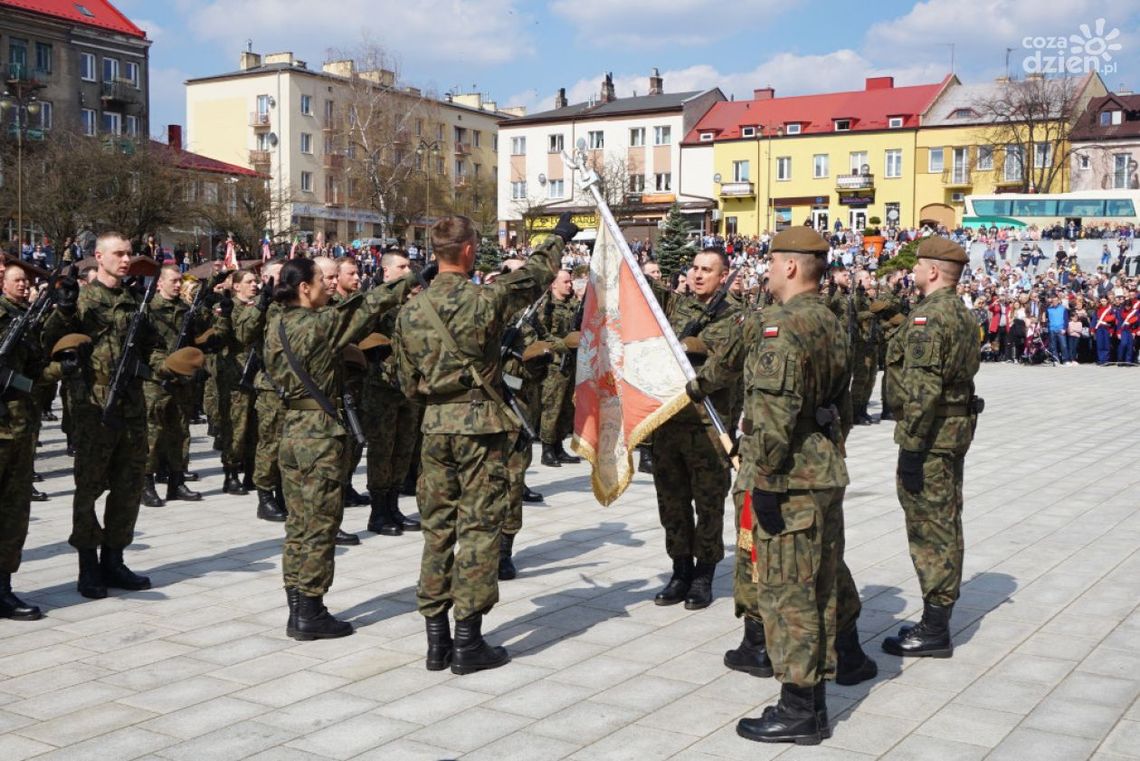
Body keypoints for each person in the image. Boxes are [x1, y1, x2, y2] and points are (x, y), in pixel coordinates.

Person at [689, 227, 855, 744]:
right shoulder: (829, 319)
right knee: (819, 587)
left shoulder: (780, 328)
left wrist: (764, 481)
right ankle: (815, 703)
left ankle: (799, 709)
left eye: (770, 262)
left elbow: (772, 417)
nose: (765, 270)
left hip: (787, 478)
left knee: (788, 595)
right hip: (822, 467)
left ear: (788, 267)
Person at [393, 214, 569, 675]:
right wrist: (559, 238)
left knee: (437, 530)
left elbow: (406, 383)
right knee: (478, 531)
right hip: (482, 428)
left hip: (435, 428)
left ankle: (436, 641)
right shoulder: (485, 298)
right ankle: (468, 640)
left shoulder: (410, 311)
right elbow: (533, 276)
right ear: (469, 250)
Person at [264, 257, 415, 640]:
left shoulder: (276, 323)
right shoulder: (318, 325)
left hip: (293, 431)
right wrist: (413, 278)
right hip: (320, 436)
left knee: (298, 524)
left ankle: (297, 606)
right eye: (321, 281)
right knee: (321, 524)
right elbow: (366, 307)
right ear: (303, 288)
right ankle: (311, 611)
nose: (327, 287)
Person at [43, 233, 193, 599]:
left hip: (132, 406)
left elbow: (152, 349)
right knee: (89, 489)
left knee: (127, 487)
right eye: (119, 254)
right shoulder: (82, 302)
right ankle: (87, 565)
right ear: (98, 257)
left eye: (129, 254)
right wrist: (61, 310)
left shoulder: (134, 302)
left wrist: (169, 366)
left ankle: (114, 559)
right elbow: (49, 341)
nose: (126, 260)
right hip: (93, 408)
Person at [882, 237, 981, 659]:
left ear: (934, 271)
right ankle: (938, 615)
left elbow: (922, 389)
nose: (914, 271)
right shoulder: (959, 312)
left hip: (932, 437)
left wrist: (910, 447)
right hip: (952, 429)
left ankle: (935, 627)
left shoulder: (929, 319)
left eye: (919, 265)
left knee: (931, 527)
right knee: (946, 519)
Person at [645, 249, 739, 610]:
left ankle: (704, 574)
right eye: (695, 268)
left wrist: (690, 348)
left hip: (707, 426)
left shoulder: (735, 316)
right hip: (669, 423)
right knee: (672, 502)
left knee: (708, 504)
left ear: (723, 275)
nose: (698, 275)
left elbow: (725, 362)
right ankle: (680, 569)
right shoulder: (675, 307)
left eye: (707, 270)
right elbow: (642, 292)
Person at [360, 250, 423, 537]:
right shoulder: (374, 303)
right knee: (382, 450)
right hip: (381, 389)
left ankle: (394, 505)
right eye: (402, 266)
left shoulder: (416, 303)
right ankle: (378, 511)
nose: (408, 270)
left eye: (409, 266)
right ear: (386, 272)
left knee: (404, 448)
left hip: (408, 389)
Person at [0, 259, 49, 619]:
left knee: (15, 512)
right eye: (18, 280)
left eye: (27, 281)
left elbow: (35, 371)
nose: (24, 285)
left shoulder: (27, 320)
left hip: (21, 428)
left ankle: (3, 587)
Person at [141, 266, 205, 507]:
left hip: (181, 380)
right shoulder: (149, 310)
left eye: (180, 281)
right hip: (156, 381)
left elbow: (196, 341)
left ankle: (176, 481)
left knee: (180, 431)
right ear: (159, 283)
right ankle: (146, 483)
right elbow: (144, 348)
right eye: (174, 281)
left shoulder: (186, 310)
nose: (178, 285)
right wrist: (163, 366)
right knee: (152, 433)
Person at [233, 259, 288, 522]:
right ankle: (264, 496)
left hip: (293, 386)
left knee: (287, 444)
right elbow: (243, 333)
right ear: (265, 278)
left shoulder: (293, 304)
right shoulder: (259, 306)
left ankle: (283, 494)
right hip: (269, 386)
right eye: (276, 276)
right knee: (270, 443)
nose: (282, 280)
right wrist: (262, 304)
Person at [538, 269, 582, 468]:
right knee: (552, 407)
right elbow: (542, 333)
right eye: (565, 282)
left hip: (572, 362)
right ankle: (547, 449)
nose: (570, 285)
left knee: (567, 408)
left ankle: (558, 446)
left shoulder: (573, 306)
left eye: (571, 282)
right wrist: (562, 344)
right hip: (554, 364)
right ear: (553, 284)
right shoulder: (546, 306)